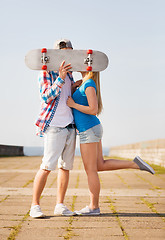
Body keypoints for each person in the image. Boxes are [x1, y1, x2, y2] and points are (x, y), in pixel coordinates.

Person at [67, 71, 155, 216]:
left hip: (88, 130)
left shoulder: (89, 84)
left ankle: (93, 207)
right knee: (99, 165)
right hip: (91, 129)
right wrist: (73, 88)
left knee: (91, 170)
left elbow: (93, 109)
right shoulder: (84, 83)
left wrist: (74, 104)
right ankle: (135, 164)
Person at [30, 39, 81, 218]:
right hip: (54, 126)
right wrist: (59, 78)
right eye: (65, 52)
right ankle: (34, 205)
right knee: (46, 166)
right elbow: (46, 96)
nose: (68, 56)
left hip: (70, 126)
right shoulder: (46, 72)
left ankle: (60, 205)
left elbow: (66, 95)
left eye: (71, 53)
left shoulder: (69, 74)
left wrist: (74, 85)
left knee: (65, 168)